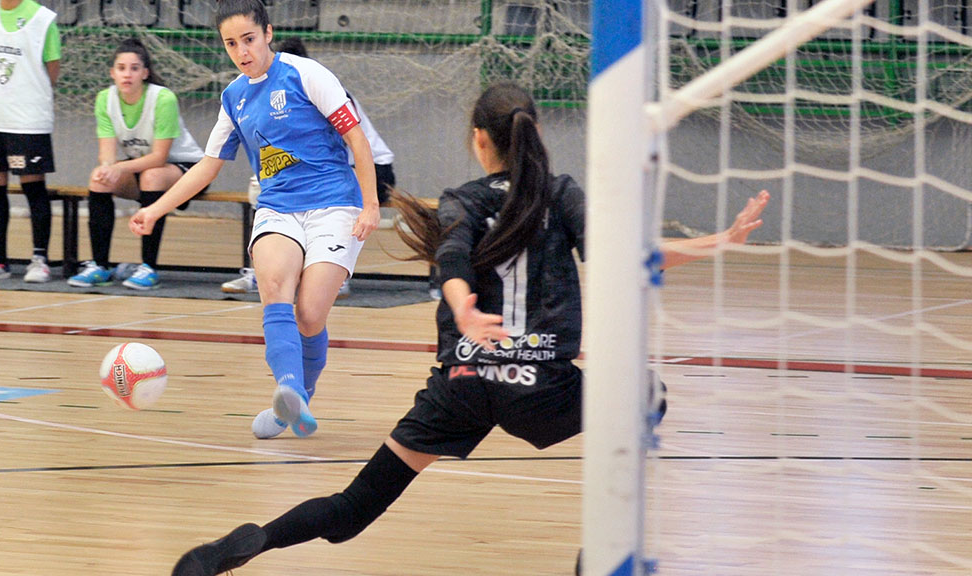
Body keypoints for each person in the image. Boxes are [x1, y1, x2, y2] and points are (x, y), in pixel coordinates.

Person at [169, 81, 770, 576]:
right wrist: (721, 240)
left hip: (462, 382)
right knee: (648, 395)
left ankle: (247, 545)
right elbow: (626, 256)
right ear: (532, 133)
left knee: (353, 509)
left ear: (479, 141)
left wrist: (461, 308)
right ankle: (604, 548)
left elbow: (453, 256)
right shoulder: (561, 196)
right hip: (541, 387)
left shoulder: (462, 198)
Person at [129, 0, 379, 439]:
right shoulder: (234, 97)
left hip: (334, 205)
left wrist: (372, 205)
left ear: (267, 33)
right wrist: (153, 209)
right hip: (278, 207)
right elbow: (206, 167)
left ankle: (295, 403)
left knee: (310, 314)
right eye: (231, 44)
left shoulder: (306, 75)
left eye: (248, 39)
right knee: (273, 287)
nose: (242, 51)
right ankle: (288, 388)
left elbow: (356, 138)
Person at [220, 35, 396, 298]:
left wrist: (370, 205)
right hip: (319, 175)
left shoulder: (316, 86)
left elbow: (357, 145)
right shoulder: (245, 94)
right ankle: (268, 268)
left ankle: (330, 267)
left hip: (371, 169)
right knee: (265, 183)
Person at [67, 38, 206, 290]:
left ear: (145, 73)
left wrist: (118, 168)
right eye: (121, 68)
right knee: (98, 177)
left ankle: (148, 268)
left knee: (152, 175)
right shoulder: (105, 99)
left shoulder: (163, 99)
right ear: (112, 73)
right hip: (142, 169)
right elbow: (106, 153)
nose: (127, 74)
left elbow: (159, 158)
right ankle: (100, 265)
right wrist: (108, 167)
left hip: (187, 169)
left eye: (134, 68)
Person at [0, 0, 61, 282]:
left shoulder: (43, 19)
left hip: (28, 121)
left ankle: (39, 260)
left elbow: (52, 70)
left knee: (33, 189)